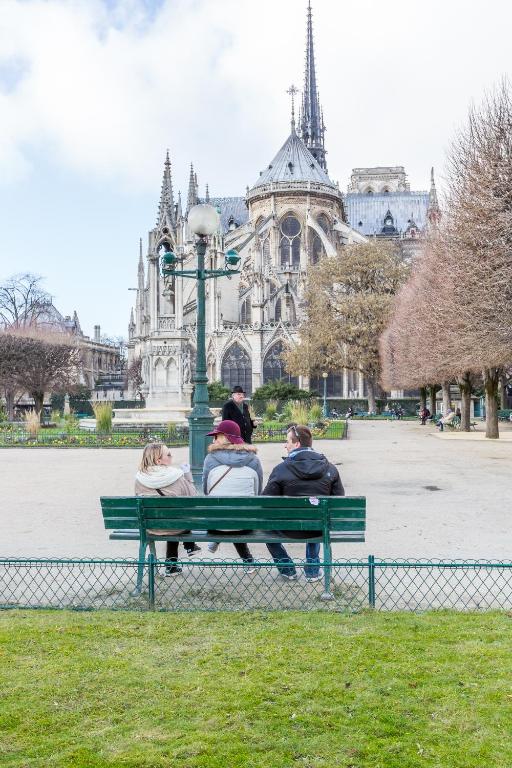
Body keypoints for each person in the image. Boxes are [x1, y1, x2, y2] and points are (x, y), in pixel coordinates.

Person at [262, 424, 345, 582]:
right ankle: (312, 571)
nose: (285, 445)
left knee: (266, 527)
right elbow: (338, 501)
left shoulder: (280, 469)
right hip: (318, 529)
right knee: (318, 519)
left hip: (288, 529)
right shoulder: (330, 469)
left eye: (287, 441)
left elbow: (266, 503)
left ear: (297, 444)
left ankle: (287, 569)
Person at [202, 419, 261, 573]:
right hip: (245, 523)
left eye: (216, 436)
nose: (213, 439)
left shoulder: (210, 459)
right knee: (237, 509)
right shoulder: (253, 459)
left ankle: (217, 539)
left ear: (225, 438)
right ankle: (248, 561)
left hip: (216, 523)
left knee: (223, 507)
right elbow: (258, 493)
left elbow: (206, 491)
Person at [134, 442, 201, 575]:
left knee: (170, 517)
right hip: (176, 526)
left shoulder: (139, 479)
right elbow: (193, 497)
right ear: (159, 461)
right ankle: (180, 556)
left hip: (151, 526)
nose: (171, 456)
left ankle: (174, 564)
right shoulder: (176, 476)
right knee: (176, 518)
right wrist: (189, 476)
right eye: (168, 454)